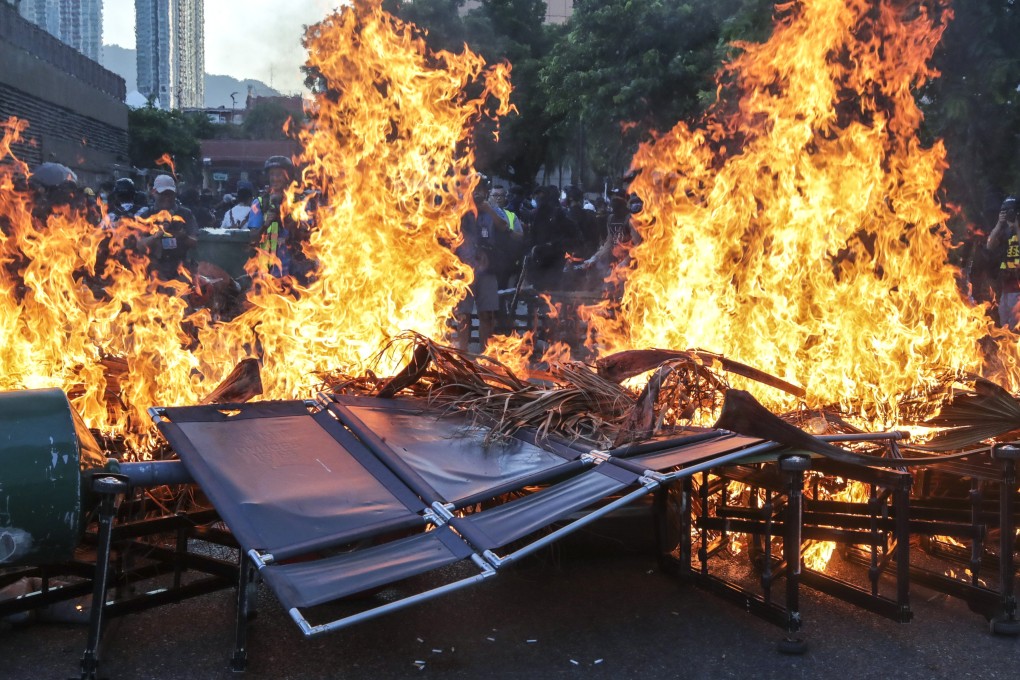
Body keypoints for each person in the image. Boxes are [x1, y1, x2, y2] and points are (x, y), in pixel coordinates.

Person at [454, 181, 509, 351]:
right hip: (464, 270)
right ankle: (462, 353)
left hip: (488, 270)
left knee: (487, 313)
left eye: (481, 190)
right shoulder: (461, 209)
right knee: (463, 314)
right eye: (474, 189)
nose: (477, 193)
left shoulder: (492, 209)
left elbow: (504, 226)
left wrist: (488, 210)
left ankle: (485, 354)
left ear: (486, 192)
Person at [248, 155, 314, 282]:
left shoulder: (301, 202)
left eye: (278, 175)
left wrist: (292, 221)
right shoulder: (260, 203)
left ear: (287, 177)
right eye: (272, 175)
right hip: (268, 270)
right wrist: (266, 224)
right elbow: (253, 237)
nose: (274, 179)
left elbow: (308, 234)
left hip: (296, 269)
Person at [134, 174, 199, 283]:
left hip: (180, 270)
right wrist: (156, 235)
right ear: (154, 193)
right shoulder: (145, 215)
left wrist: (181, 237)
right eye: (163, 194)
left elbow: (195, 242)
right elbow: (139, 245)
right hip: (153, 271)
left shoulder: (185, 214)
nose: (167, 197)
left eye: (170, 194)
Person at [986, 195, 1020, 329]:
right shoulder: (1004, 230)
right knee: (1004, 326)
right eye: (1006, 212)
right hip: (1005, 287)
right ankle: (1007, 349)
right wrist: (999, 225)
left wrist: (1017, 226)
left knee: (1015, 326)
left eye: (1011, 211)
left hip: (1018, 287)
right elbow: (990, 245)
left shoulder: (1016, 230)